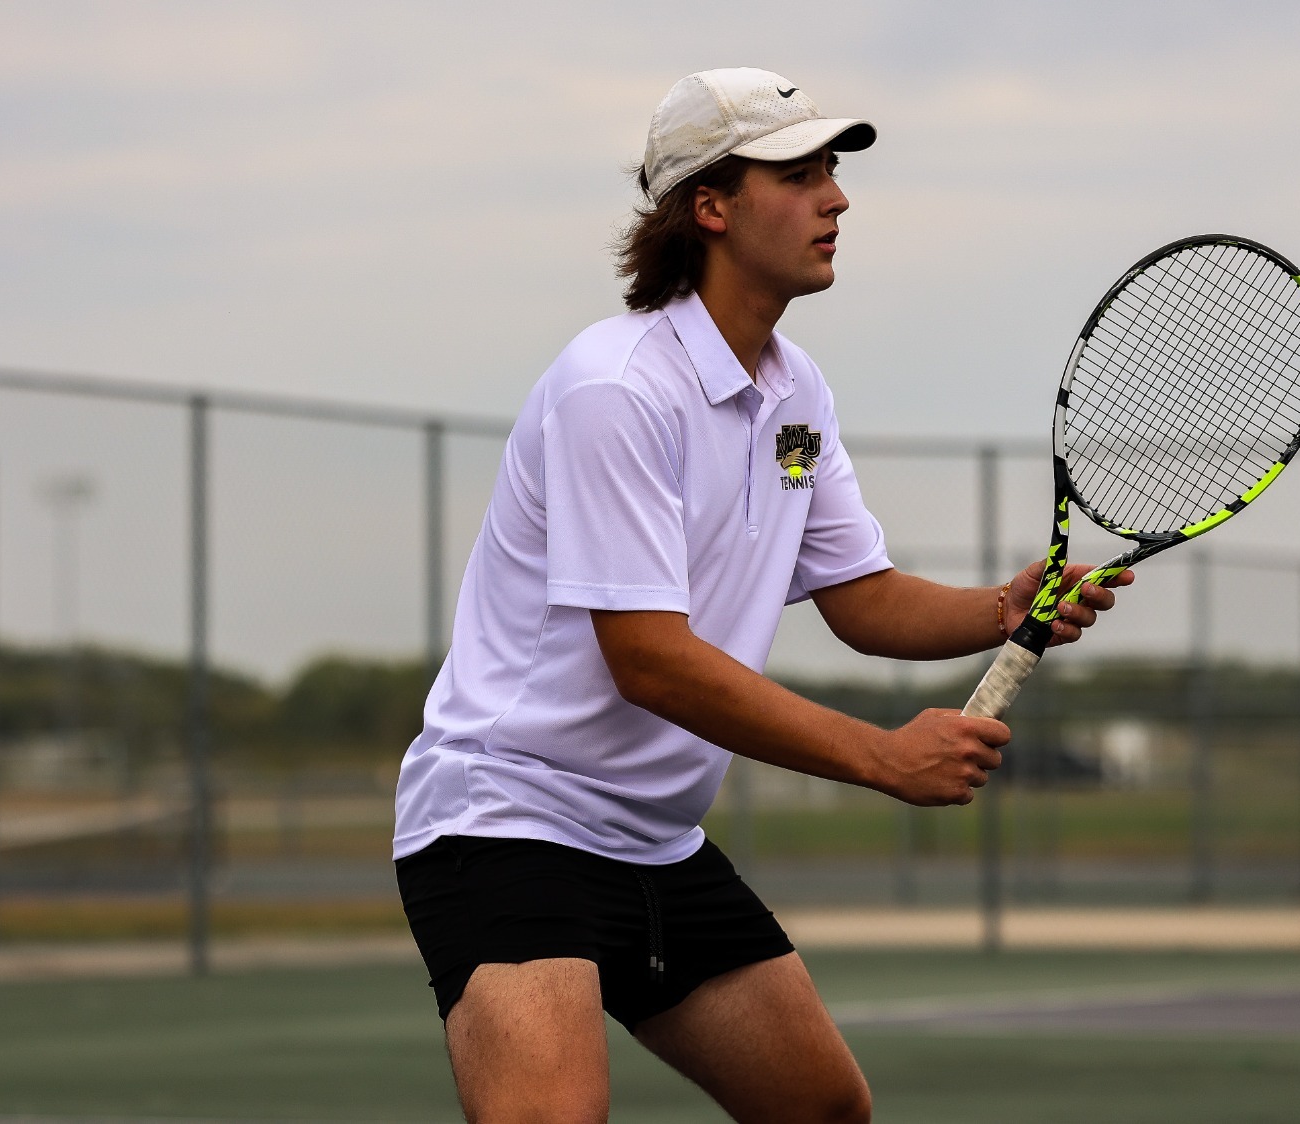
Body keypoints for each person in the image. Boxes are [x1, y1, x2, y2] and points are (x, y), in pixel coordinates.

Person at [392, 67, 1129, 1123]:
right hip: (508, 819)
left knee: (823, 1108)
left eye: (832, 169)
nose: (835, 197)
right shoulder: (615, 387)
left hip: (655, 837)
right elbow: (645, 658)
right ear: (710, 206)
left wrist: (1000, 608)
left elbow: (861, 598)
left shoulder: (795, 389)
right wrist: (877, 754)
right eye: (798, 172)